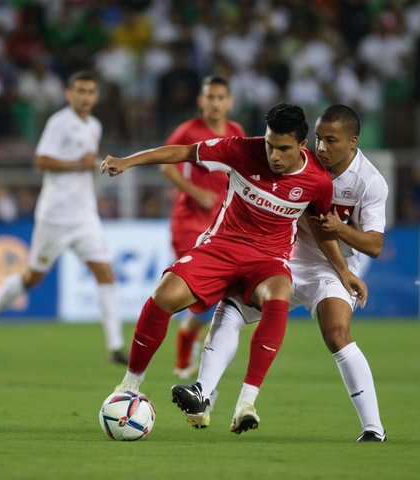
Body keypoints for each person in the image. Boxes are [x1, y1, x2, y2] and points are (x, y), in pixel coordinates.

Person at [100, 102, 366, 434]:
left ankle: (246, 402)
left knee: (280, 292)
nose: (274, 155)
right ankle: (130, 384)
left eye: (283, 149)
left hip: (269, 259)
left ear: (301, 146)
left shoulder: (317, 182)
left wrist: (344, 271)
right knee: (163, 296)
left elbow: (321, 229)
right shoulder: (241, 150)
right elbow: (182, 152)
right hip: (222, 247)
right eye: (270, 145)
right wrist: (128, 162)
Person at [172, 105, 388, 441]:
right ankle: (203, 394)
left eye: (332, 141)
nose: (322, 148)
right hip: (280, 259)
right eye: (318, 139)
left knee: (336, 334)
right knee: (229, 311)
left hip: (329, 268)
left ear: (353, 142)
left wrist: (340, 238)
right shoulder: (299, 159)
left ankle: (373, 427)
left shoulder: (370, 182)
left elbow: (374, 245)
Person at [0, 71, 128, 365]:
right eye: (80, 91)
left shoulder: (94, 124)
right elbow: (41, 160)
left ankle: (115, 347)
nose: (85, 97)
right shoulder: (59, 123)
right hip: (54, 217)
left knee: (105, 273)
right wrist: (78, 164)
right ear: (69, 94)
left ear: (96, 96)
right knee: (32, 278)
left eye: (90, 92)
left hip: (84, 216)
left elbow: (84, 165)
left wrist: (95, 167)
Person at [161, 75, 245, 380]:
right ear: (201, 100)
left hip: (222, 225)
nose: (215, 103)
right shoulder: (189, 130)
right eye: (210, 97)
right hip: (188, 222)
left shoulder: (236, 132)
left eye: (221, 97)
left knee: (215, 295)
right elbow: (165, 164)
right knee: (201, 292)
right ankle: (187, 343)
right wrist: (195, 192)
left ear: (229, 101)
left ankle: (187, 339)